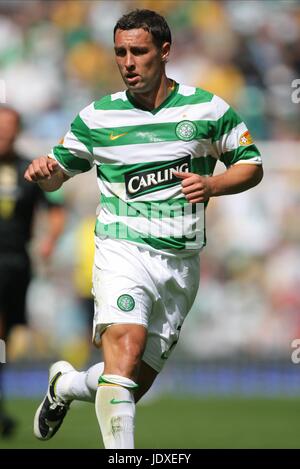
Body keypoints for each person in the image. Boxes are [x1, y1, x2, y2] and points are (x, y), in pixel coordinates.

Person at [24, 9, 263, 449]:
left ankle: (66, 386)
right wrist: (46, 171)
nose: (128, 62)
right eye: (120, 52)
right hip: (122, 248)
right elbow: (61, 170)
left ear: (165, 51)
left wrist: (212, 183)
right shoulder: (97, 118)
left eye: (139, 51)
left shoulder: (207, 109)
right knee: (125, 349)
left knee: (130, 381)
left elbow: (252, 166)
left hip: (181, 261)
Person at [0, 106, 65, 437]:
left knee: (5, 338)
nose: (5, 133)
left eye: (11, 127)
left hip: (15, 262)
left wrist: (49, 241)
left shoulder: (29, 168)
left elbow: (55, 210)